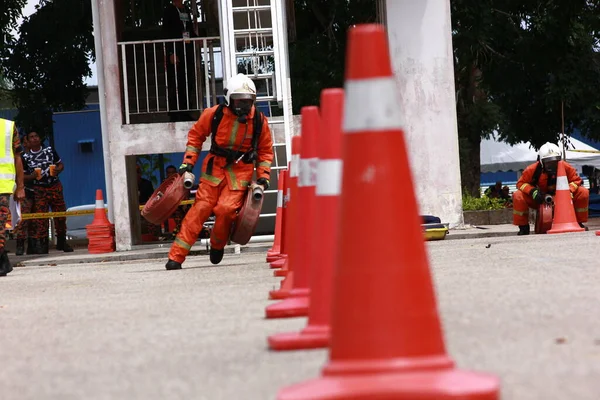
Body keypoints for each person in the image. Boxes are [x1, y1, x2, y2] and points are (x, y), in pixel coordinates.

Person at [165, 73, 274, 269]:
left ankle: (217, 244)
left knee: (226, 211)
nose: (243, 105)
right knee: (200, 210)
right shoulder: (213, 114)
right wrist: (188, 162)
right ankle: (176, 257)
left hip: (240, 173)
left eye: (247, 101)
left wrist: (263, 177)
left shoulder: (258, 120)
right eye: (239, 101)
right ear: (228, 99)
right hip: (213, 170)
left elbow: (265, 150)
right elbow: (196, 136)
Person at [512, 142, 589, 235]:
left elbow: (576, 180)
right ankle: (523, 227)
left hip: (562, 200)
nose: (552, 166)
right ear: (541, 161)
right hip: (539, 199)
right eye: (548, 163)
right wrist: (532, 191)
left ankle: (579, 223)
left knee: (583, 192)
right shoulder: (532, 169)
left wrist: (569, 191)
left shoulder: (565, 167)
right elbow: (521, 183)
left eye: (555, 162)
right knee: (518, 195)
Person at [22, 131, 73, 253]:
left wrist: (57, 170)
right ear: (28, 141)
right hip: (39, 189)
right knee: (41, 217)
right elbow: (22, 176)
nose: (34, 139)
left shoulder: (49, 151)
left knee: (60, 214)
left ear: (40, 138)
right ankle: (43, 244)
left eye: (36, 136)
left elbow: (60, 164)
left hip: (54, 185)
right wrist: (32, 176)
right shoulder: (25, 157)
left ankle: (61, 241)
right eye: (31, 137)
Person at [162, 0, 200, 122]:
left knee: (187, 82)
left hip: (186, 51)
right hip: (175, 51)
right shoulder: (169, 11)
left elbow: (189, 30)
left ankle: (185, 111)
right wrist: (170, 53)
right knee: (175, 82)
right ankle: (174, 113)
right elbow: (166, 33)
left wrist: (199, 39)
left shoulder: (186, 9)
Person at [0, 118, 26, 276]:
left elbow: (18, 158)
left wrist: (21, 187)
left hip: (3, 186)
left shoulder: (8, 127)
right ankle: (3, 261)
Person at [13, 133, 36, 255]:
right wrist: (31, 177)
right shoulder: (20, 158)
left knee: (34, 221)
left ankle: (32, 246)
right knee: (23, 220)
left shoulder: (34, 157)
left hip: (36, 191)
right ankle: (20, 245)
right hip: (25, 192)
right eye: (27, 140)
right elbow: (18, 175)